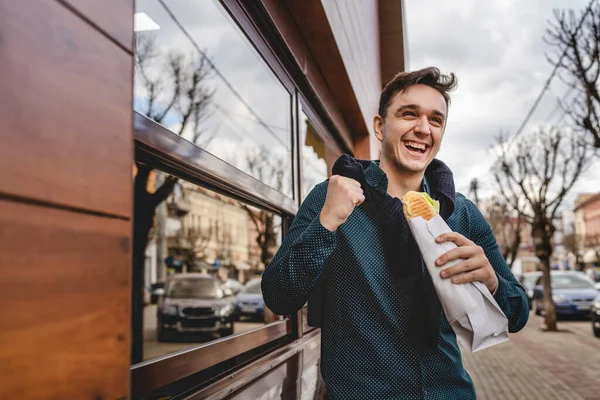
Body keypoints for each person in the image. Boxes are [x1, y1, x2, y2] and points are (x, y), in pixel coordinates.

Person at [261, 67, 529, 399]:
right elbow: (278, 296)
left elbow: (517, 314)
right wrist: (326, 224)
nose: (422, 128)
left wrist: (491, 281)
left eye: (435, 120)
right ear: (379, 125)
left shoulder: (462, 214)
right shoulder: (331, 196)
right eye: (409, 114)